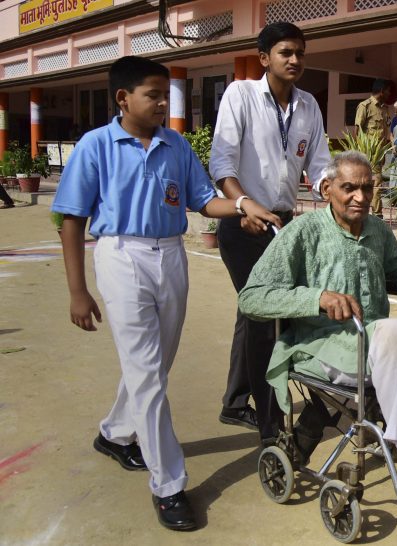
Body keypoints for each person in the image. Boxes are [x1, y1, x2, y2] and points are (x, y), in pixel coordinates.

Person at [52, 56, 267, 531]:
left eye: (165, 95)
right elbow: (71, 219)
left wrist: (241, 206)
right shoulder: (96, 146)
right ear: (123, 98)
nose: (162, 104)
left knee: (155, 363)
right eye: (153, 95)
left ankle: (115, 434)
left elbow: (202, 200)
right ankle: (168, 485)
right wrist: (77, 291)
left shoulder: (175, 145)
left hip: (170, 255)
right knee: (147, 371)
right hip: (121, 255)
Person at [238, 151, 397, 507]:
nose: (360, 197)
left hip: (378, 341)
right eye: (349, 188)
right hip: (323, 345)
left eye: (367, 189)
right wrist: (317, 298)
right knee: (392, 331)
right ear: (327, 189)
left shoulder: (376, 229)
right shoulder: (302, 231)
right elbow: (252, 297)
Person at [209, 21, 331, 437]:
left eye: (300, 53)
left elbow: (319, 165)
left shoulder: (308, 106)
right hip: (241, 222)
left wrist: (335, 190)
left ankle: (234, 401)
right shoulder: (240, 95)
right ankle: (271, 424)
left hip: (283, 226)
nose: (295, 60)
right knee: (267, 316)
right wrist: (245, 204)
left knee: (253, 311)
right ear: (264, 58)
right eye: (285, 52)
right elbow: (222, 163)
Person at [354, 78, 392, 218]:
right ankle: (366, 211)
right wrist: (359, 154)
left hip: (379, 154)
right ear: (381, 91)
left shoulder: (384, 109)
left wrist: (384, 152)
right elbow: (357, 131)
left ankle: (376, 213)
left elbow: (385, 132)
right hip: (366, 154)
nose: (389, 94)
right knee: (365, 181)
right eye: (387, 91)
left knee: (377, 182)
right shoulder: (365, 106)